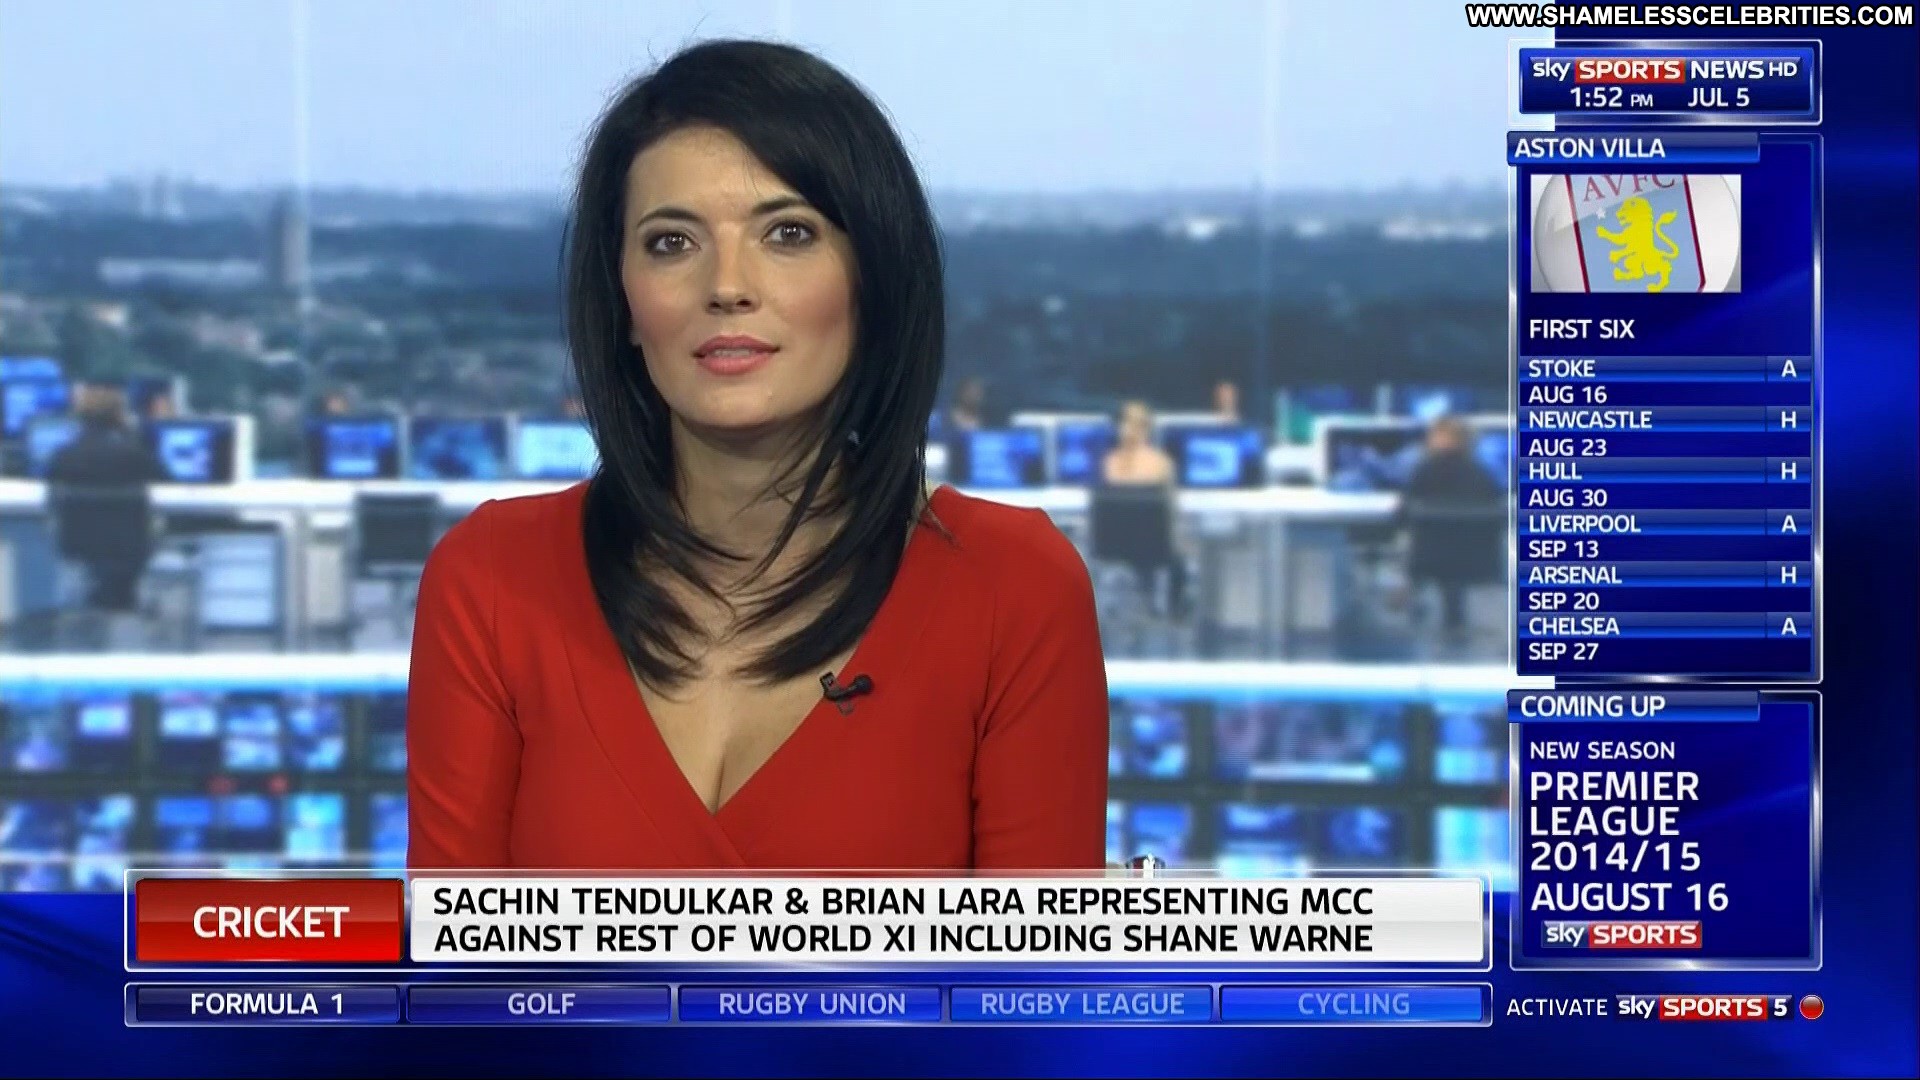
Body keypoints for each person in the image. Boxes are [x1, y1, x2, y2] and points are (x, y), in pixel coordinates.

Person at [407, 40, 1108, 872]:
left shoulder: (1013, 591)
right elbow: (448, 954)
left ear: (872, 280)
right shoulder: (491, 584)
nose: (727, 286)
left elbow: (1032, 961)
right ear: (624, 301)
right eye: (672, 243)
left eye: (787, 233)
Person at [45, 384, 167, 626]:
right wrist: (131, 434)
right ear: (119, 415)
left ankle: (102, 601)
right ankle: (117, 601)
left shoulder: (63, 456)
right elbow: (166, 480)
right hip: (130, 545)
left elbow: (50, 493)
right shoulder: (134, 455)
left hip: (77, 543)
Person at [1397, 415, 1502, 645]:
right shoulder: (1482, 474)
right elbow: (1497, 512)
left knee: (1405, 542)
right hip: (1476, 557)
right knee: (1452, 559)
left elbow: (1402, 515)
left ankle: (1407, 592)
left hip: (1428, 556)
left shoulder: (1424, 470)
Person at [1102, 401, 1175, 486]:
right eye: (1128, 421)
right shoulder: (1109, 461)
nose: (1133, 428)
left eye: (1139, 423)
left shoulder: (1161, 463)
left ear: (1148, 427)